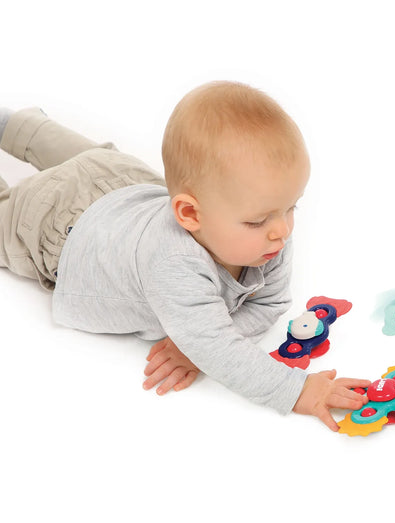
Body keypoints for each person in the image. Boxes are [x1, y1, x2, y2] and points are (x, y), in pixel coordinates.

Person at [0, 81, 370, 431]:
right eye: (257, 221)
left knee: (89, 157)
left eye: (291, 207)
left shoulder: (267, 238)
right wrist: (296, 390)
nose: (282, 230)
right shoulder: (175, 265)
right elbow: (218, 347)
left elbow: (270, 303)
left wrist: (193, 345)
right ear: (189, 213)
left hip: (125, 181)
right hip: (61, 228)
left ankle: (18, 126)